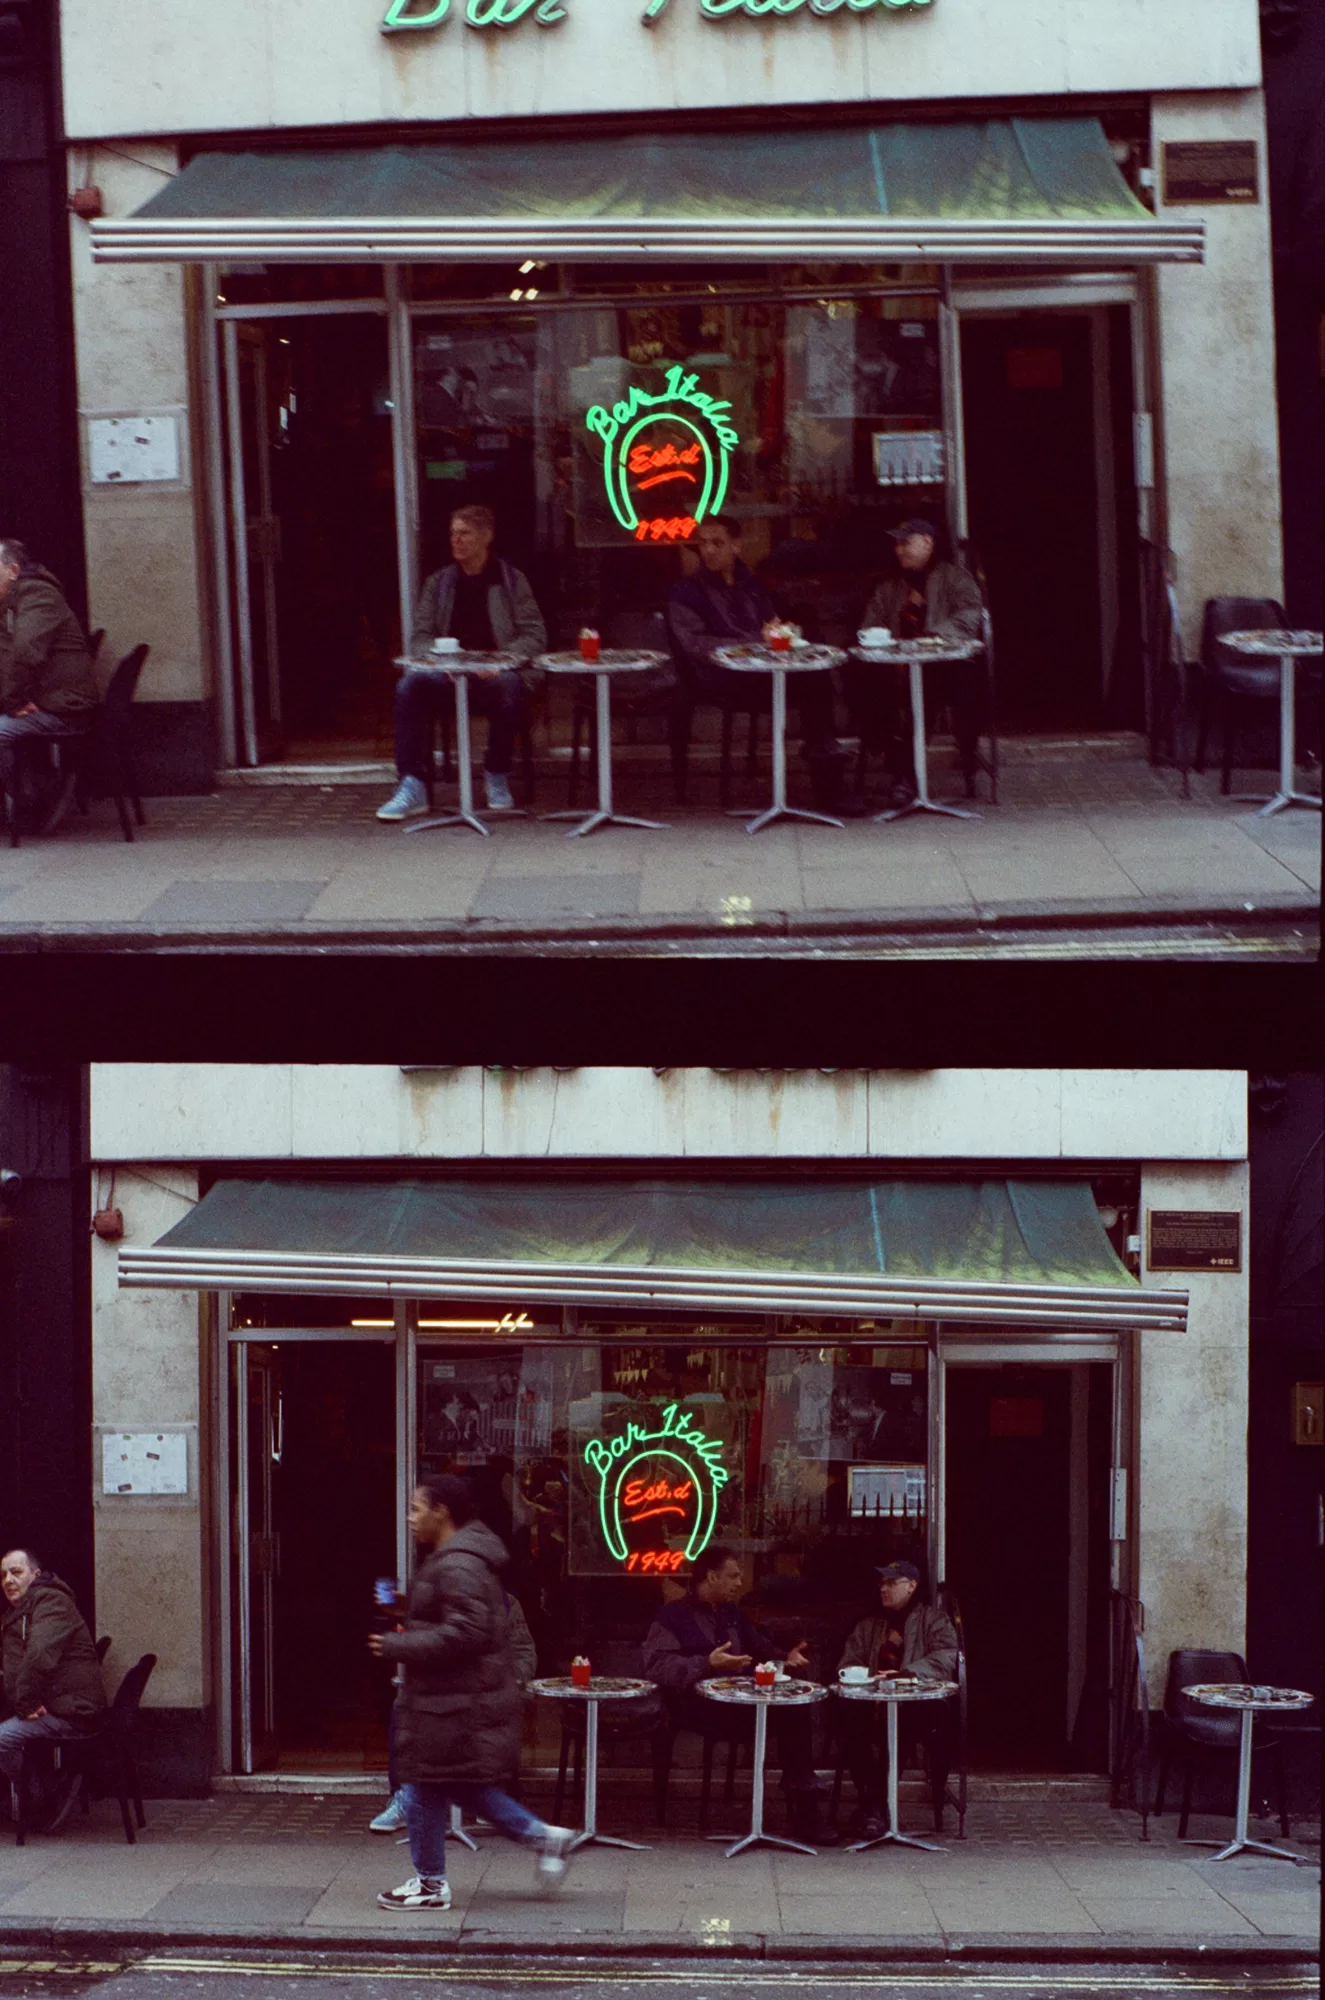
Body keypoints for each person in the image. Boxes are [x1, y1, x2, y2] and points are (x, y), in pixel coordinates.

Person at [367, 1475, 573, 1910]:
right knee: (457, 1785)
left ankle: (429, 1884)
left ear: (441, 1511)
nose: (410, 1517)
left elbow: (467, 1632)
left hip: (454, 1701)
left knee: (425, 1783)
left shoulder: (458, 1563)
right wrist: (407, 1609)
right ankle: (544, 1837)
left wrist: (397, 1644)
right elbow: (459, 1619)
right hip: (453, 1700)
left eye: (417, 1508)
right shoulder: (458, 1559)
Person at [642, 1545, 832, 1842]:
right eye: (733, 1576)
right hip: (700, 1708)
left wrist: (785, 1658)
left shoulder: (731, 1614)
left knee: (793, 1702)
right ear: (712, 1577)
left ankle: (804, 1802)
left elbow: (761, 1648)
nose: (740, 1583)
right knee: (789, 1715)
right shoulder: (672, 1616)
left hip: (741, 1704)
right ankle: (803, 1795)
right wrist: (706, 1663)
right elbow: (656, 1665)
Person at [376, 506, 547, 821]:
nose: (456, 540)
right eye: (453, 533)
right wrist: (444, 662)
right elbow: (420, 638)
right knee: (409, 686)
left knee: (509, 687)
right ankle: (412, 783)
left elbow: (534, 635)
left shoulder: (511, 580)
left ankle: (496, 772)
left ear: (486, 537)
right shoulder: (439, 583)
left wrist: (503, 661)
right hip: (450, 676)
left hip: (493, 674)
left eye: (464, 533)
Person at [667, 516, 842, 775]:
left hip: (760, 672)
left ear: (736, 546)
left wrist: (781, 631)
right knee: (811, 684)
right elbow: (694, 644)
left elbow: (770, 624)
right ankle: (827, 766)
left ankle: (826, 758)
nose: (709, 550)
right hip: (719, 677)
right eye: (703, 544)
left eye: (717, 543)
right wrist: (755, 641)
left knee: (813, 671)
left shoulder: (751, 586)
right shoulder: (687, 591)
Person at [851, 518, 985, 804]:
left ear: (927, 543)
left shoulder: (955, 578)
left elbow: (970, 615)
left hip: (943, 667)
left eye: (905, 543)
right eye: (897, 544)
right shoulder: (889, 587)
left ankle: (906, 776)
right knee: (870, 686)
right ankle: (896, 763)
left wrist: (932, 636)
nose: (898, 550)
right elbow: (869, 624)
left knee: (926, 685)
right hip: (894, 669)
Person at [836, 1559, 958, 1838]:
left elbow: (946, 1657)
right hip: (872, 1701)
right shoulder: (869, 1625)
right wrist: (869, 1677)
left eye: (892, 1582)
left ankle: (874, 1806)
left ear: (911, 1586)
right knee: (847, 1718)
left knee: (904, 1719)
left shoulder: (934, 1621)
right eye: (882, 1583)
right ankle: (874, 1803)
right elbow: (849, 1661)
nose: (884, 1588)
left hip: (917, 1706)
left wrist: (906, 1674)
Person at [0, 540, 99, 833]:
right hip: (45, 699)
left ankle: (32, 800)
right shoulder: (13, 601)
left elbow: (26, 653)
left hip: (66, 706)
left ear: (13, 570)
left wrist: (12, 703)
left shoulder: (38, 595)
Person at [0, 1550, 107, 1810]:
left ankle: (36, 1799)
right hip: (56, 1704)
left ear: (35, 1575)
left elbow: (39, 1655)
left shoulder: (52, 1603)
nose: (8, 1580)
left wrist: (25, 1703)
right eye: (3, 1575)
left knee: (2, 1738)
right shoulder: (21, 1612)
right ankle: (35, 1796)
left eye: (16, 1572)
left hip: (72, 1712)